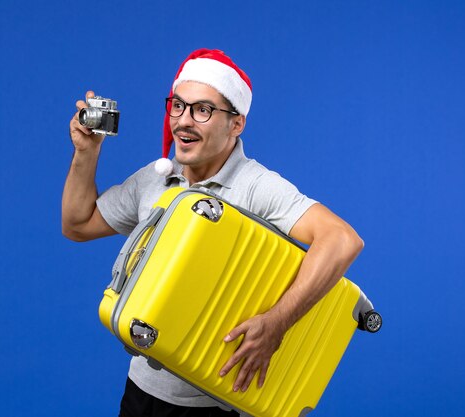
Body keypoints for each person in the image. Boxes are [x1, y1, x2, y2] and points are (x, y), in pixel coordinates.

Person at [62, 49, 364, 417]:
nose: (184, 121)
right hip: (142, 392)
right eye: (178, 106)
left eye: (202, 110)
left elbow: (342, 239)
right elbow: (78, 225)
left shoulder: (257, 186)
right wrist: (86, 152)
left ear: (236, 124)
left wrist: (277, 322)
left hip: (217, 403)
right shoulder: (154, 179)